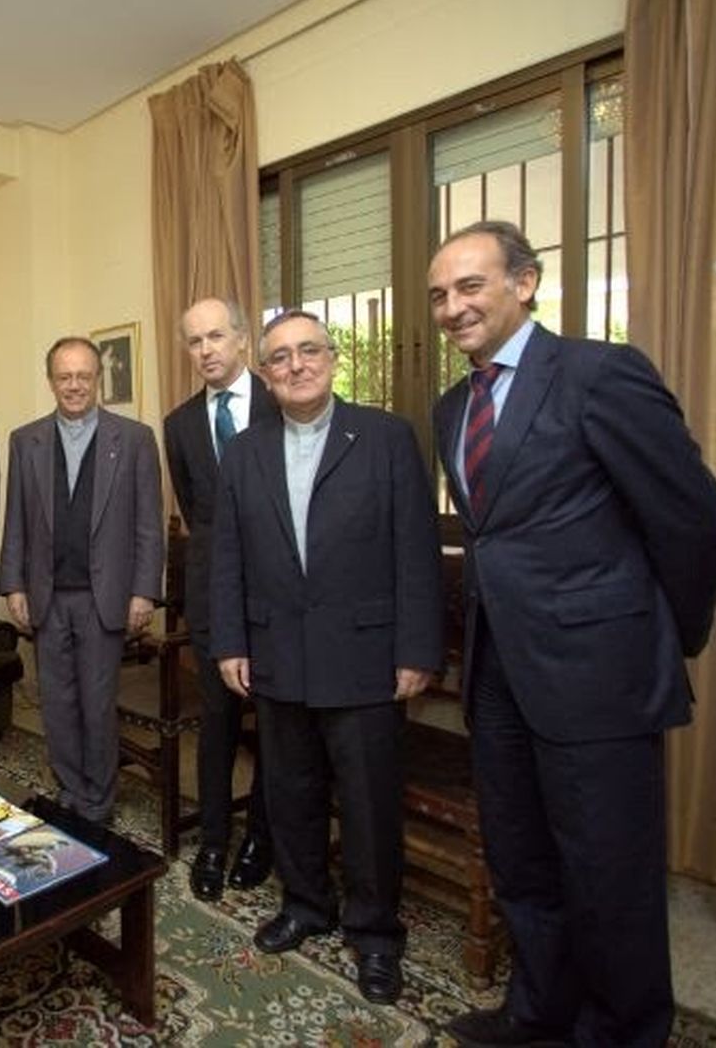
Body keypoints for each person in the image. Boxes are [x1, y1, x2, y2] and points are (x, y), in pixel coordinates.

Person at [428, 221, 716, 1047]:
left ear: (524, 283)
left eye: (470, 286)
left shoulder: (601, 374)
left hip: (599, 673)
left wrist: (663, 639)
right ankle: (539, 1012)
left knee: (609, 876)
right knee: (524, 862)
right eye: (440, 295)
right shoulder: (452, 405)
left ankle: (623, 1030)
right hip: (499, 674)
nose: (452, 308)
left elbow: (694, 521)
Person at [210, 309, 442, 1005]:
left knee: (370, 808)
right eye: (279, 358)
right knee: (290, 793)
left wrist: (416, 649)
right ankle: (307, 904)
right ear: (266, 372)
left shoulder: (385, 436)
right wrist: (230, 641)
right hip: (277, 655)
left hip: (367, 657)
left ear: (333, 358)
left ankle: (376, 934)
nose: (295, 366)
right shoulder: (245, 451)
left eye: (308, 351)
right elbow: (228, 558)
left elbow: (417, 553)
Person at [0, 337, 164, 824]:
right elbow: (16, 522)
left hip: (104, 598)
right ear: (50, 380)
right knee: (57, 704)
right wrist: (14, 585)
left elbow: (149, 524)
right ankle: (70, 791)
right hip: (47, 597)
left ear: (98, 381)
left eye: (83, 376)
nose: (74, 385)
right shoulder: (25, 439)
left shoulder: (133, 439)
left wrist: (143, 591)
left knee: (96, 703)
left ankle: (99, 801)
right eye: (64, 376)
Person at [163, 297, 278, 902]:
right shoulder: (178, 424)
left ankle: (261, 835)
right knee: (217, 724)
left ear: (241, 339)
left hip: (279, 598)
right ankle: (213, 838)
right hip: (213, 598)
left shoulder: (279, 402)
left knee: (275, 729)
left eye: (215, 336)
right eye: (193, 341)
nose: (205, 349)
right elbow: (197, 514)